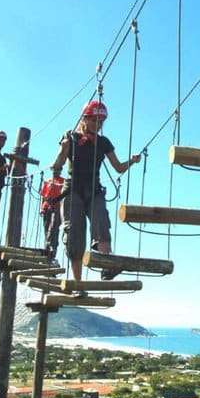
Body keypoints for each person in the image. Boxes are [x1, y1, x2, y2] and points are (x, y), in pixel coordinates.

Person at [51, 100, 141, 281]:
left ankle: (106, 267)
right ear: (84, 119)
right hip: (73, 189)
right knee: (75, 233)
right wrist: (64, 149)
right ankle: (77, 282)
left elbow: (118, 167)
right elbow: (57, 167)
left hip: (94, 190)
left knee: (101, 221)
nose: (98, 125)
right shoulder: (71, 137)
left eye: (101, 122)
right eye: (95, 121)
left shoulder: (103, 142)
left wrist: (132, 161)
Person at [40, 167, 65, 262]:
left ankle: (52, 253)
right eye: (54, 169)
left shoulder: (63, 181)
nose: (56, 171)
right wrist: (42, 208)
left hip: (57, 207)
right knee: (47, 230)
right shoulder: (48, 182)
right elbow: (43, 197)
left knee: (53, 229)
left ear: (60, 170)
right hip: (47, 208)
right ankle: (47, 250)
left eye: (57, 169)